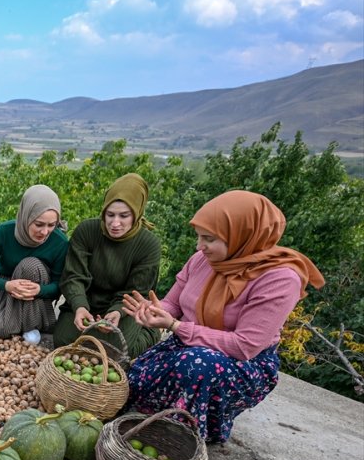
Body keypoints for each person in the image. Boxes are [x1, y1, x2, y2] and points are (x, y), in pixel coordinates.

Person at [122, 191, 324, 443]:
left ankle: (183, 435)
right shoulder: (203, 260)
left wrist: (176, 326)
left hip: (238, 364)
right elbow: (173, 303)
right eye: (199, 237)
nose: (199, 246)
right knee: (130, 385)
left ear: (242, 236)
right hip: (187, 345)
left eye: (209, 239)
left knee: (196, 363)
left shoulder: (279, 279)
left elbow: (244, 346)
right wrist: (154, 311)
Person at [53, 173, 161, 358]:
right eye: (110, 215)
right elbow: (73, 275)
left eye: (124, 216)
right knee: (63, 340)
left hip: (124, 308)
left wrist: (116, 312)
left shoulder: (148, 244)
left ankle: (149, 332)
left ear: (137, 213)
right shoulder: (87, 231)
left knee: (119, 353)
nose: (115, 223)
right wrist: (79, 306)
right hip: (87, 303)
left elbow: (137, 290)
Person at [0, 184, 69, 339]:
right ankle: (29, 325)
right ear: (26, 216)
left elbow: (58, 285)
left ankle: (24, 323)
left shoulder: (59, 242)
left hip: (37, 293)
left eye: (51, 225)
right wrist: (7, 285)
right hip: (6, 286)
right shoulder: (4, 232)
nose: (45, 232)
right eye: (39, 224)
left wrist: (39, 290)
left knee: (30, 265)